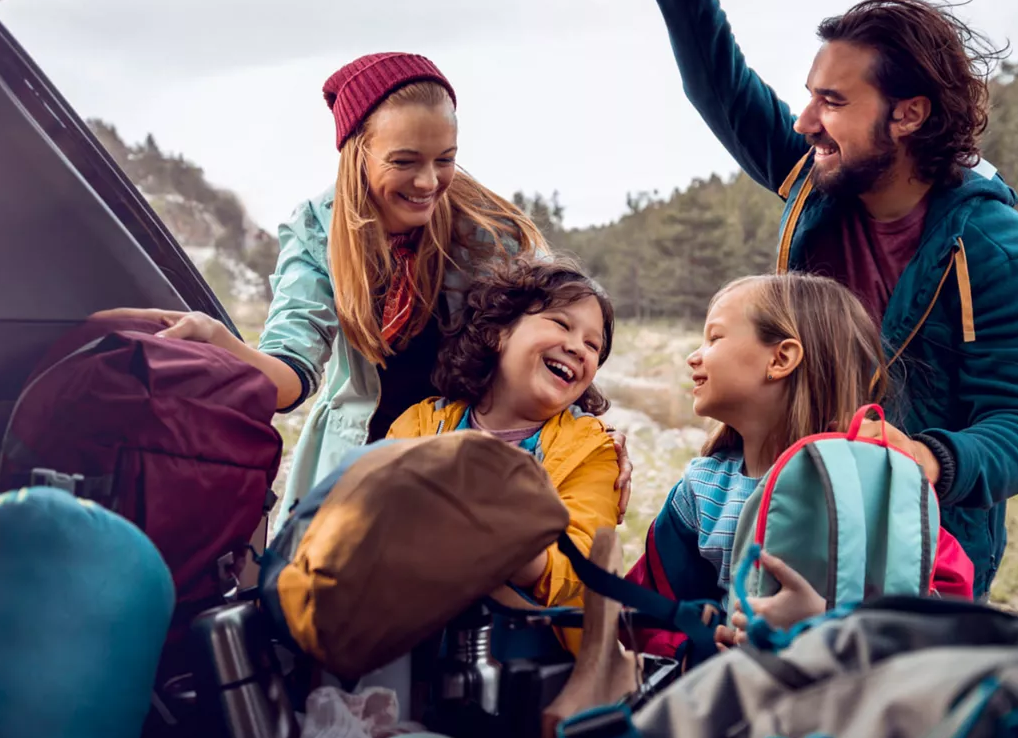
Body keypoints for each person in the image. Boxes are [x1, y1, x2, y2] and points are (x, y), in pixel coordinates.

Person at [648, 0, 1018, 598]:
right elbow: (717, 85)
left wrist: (928, 459)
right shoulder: (817, 183)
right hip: (791, 514)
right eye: (810, 97)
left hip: (916, 552)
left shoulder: (993, 249)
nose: (805, 122)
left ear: (909, 115)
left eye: (833, 102)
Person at [94, 52, 628, 521]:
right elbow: (289, 378)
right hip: (360, 460)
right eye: (404, 162)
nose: (428, 183)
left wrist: (594, 439)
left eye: (445, 159)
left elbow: (554, 335)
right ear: (357, 153)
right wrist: (220, 343)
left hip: (468, 453)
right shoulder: (314, 231)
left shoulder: (488, 231)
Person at [624, 273, 973, 660]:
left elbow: (947, 615)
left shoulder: (875, 487)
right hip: (733, 702)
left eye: (715, 338)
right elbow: (647, 608)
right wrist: (698, 645)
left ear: (780, 358)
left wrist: (828, 622)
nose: (694, 356)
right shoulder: (703, 490)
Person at [386, 255, 627, 652]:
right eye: (561, 323)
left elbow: (582, 563)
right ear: (498, 333)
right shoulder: (422, 424)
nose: (577, 347)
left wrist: (492, 543)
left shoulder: (593, 449)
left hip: (528, 655)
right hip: (408, 641)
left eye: (593, 346)